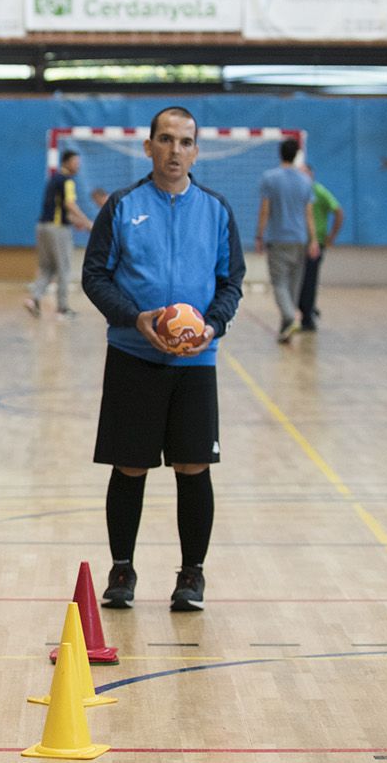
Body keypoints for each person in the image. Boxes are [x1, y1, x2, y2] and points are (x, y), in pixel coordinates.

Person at [82, 106, 244, 613]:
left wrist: (212, 325)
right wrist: (135, 319)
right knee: (129, 467)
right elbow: (94, 276)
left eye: (186, 142)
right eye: (166, 140)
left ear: (197, 150)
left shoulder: (216, 210)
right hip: (133, 356)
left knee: (193, 466)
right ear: (148, 146)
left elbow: (231, 282)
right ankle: (122, 569)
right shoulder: (123, 206)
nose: (176, 151)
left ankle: (191, 575)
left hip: (196, 364)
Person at [255, 138, 320, 343]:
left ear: (280, 153)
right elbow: (309, 214)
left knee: (279, 283)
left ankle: (290, 317)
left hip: (278, 238)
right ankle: (286, 326)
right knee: (293, 284)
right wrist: (314, 240)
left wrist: (259, 235)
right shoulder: (305, 180)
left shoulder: (270, 178)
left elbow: (265, 209)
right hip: (300, 239)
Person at [24, 149, 94, 319]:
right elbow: (70, 205)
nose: (78, 165)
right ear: (66, 162)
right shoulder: (67, 181)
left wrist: (77, 222)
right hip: (57, 230)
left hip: (42, 227)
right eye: (75, 162)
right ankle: (62, 309)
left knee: (47, 268)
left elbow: (60, 208)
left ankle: (34, 299)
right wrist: (87, 222)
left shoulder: (53, 179)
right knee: (64, 268)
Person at [296, 164, 344, 332]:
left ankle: (307, 316)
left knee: (309, 280)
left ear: (311, 175)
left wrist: (331, 236)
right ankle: (307, 308)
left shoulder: (319, 191)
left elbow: (338, 211)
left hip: (314, 243)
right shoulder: (296, 192)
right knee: (298, 281)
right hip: (297, 242)